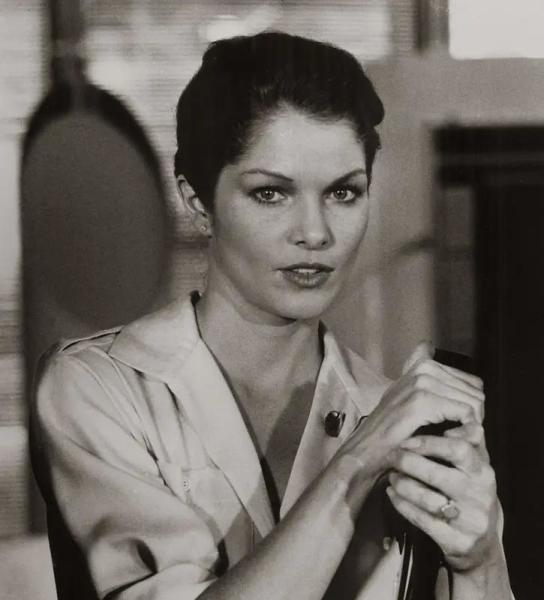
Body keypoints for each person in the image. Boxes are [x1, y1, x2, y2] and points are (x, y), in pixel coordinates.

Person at [30, 31, 513, 600]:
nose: (315, 233)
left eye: (343, 193)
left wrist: (479, 563)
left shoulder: (393, 415)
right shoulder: (100, 387)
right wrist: (357, 462)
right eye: (271, 194)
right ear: (198, 203)